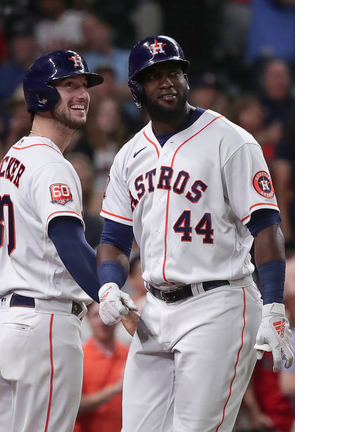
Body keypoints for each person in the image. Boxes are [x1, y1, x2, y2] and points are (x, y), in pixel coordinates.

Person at [96, 35, 294, 432]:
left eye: (174, 71)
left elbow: (267, 227)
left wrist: (274, 305)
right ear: (136, 89)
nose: (167, 81)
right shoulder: (129, 155)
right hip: (154, 309)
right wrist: (108, 286)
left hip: (218, 303)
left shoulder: (230, 140)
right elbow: (114, 239)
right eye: (154, 76)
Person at [0, 50, 120, 432]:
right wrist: (109, 294)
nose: (82, 94)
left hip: (11, 322)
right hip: (43, 325)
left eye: (84, 85)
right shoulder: (51, 164)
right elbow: (69, 242)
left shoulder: (14, 155)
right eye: (68, 85)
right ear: (41, 96)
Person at [73, 302, 128, 432]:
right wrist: (116, 389)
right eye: (96, 315)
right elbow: (73, 408)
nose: (102, 321)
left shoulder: (130, 355)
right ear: (88, 318)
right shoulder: (79, 357)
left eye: (107, 315)